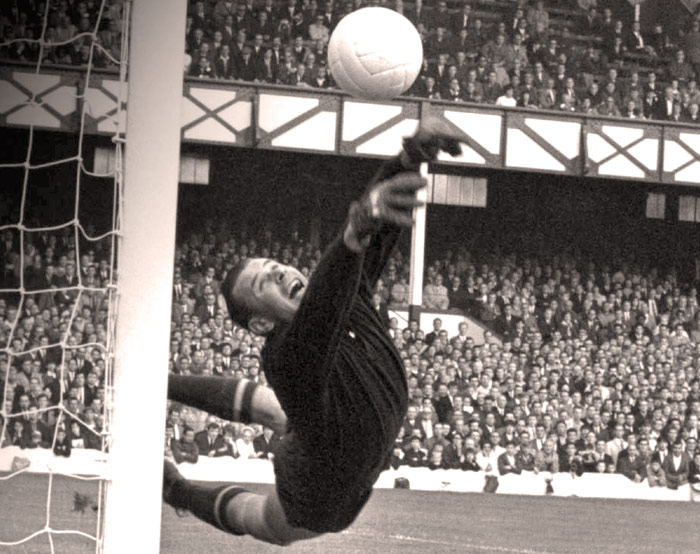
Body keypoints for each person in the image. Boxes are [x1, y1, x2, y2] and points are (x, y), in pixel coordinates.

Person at [162, 119, 464, 545]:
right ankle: (177, 490)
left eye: (276, 266)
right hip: (319, 489)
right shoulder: (286, 356)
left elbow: (374, 229)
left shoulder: (348, 296)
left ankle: (160, 383)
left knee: (280, 413)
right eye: (263, 283)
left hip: (327, 435)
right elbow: (326, 298)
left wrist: (411, 155)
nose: (281, 273)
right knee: (266, 521)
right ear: (261, 323)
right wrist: (353, 234)